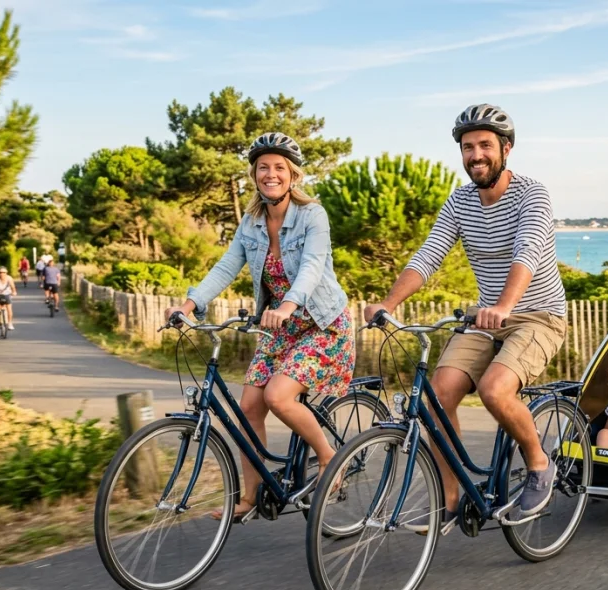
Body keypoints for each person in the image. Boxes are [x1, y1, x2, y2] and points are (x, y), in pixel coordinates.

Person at [364, 103, 568, 524]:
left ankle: (538, 463)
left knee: (495, 390)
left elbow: (526, 250)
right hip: (485, 317)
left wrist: (506, 306)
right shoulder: (459, 201)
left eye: (485, 145)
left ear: (506, 149)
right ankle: (450, 499)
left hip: (539, 315)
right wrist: (389, 303)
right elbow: (429, 254)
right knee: (437, 398)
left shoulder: (532, 193)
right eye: (468, 147)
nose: (476, 154)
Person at [164, 132, 355, 520]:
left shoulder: (312, 215)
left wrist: (286, 305)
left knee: (278, 397)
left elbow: (312, 267)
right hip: (279, 329)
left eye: (279, 168)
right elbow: (225, 266)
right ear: (254, 175)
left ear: (293, 175)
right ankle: (249, 499)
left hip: (322, 324)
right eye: (263, 167)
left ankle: (330, 456)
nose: (271, 174)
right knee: (249, 407)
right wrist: (189, 304)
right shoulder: (251, 223)